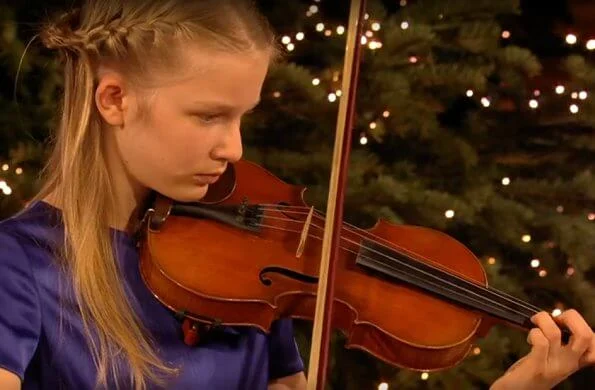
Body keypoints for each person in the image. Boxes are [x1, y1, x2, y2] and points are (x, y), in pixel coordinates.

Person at [0, 1, 592, 389]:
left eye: (242, 118)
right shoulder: (19, 265)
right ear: (114, 101)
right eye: (208, 116)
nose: (234, 148)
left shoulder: (253, 259)